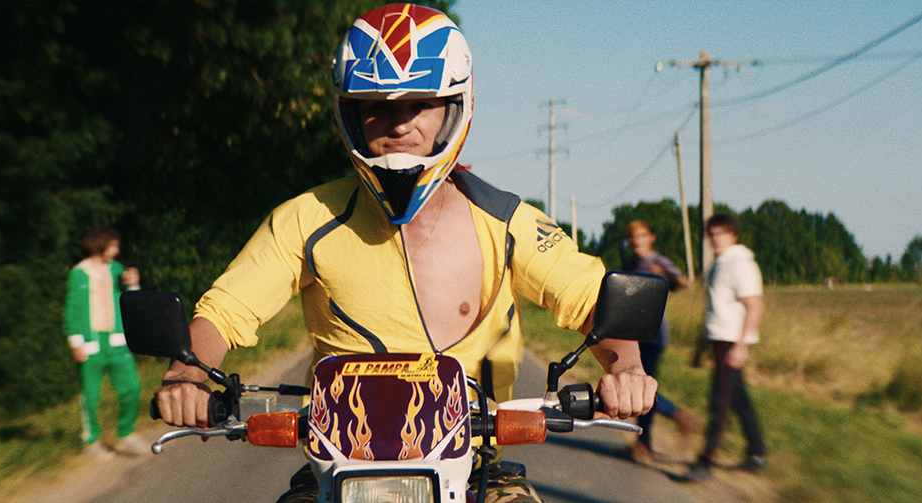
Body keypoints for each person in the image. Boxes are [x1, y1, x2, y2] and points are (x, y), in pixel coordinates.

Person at [153, 5, 656, 502]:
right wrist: (187, 375)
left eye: (420, 103)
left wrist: (627, 370)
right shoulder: (305, 219)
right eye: (379, 106)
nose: (401, 125)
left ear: (455, 107)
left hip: (478, 469)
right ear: (349, 112)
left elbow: (591, 299)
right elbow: (226, 310)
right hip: (336, 472)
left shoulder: (508, 224)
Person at [683, 214, 767, 481]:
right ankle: (757, 453)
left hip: (732, 342)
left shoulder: (742, 264)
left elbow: (755, 306)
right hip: (718, 341)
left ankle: (706, 461)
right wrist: (700, 346)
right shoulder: (718, 265)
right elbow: (713, 310)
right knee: (739, 400)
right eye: (712, 234)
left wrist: (741, 346)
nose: (715, 238)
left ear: (734, 235)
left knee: (720, 402)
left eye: (721, 233)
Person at [64, 225, 148, 458]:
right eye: (113, 245)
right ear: (100, 245)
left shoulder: (117, 269)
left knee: (132, 387)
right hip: (90, 344)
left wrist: (133, 284)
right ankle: (91, 441)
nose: (117, 250)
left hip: (117, 341)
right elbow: (71, 310)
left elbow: (132, 301)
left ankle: (126, 433)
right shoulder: (78, 273)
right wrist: (75, 342)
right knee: (91, 395)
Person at [621, 220, 701, 464]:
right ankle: (644, 443)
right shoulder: (630, 264)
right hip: (632, 332)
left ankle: (677, 419)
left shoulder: (658, 261)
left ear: (651, 237)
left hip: (653, 333)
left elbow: (683, 282)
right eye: (633, 236)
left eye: (642, 235)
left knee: (642, 387)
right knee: (637, 386)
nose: (637, 240)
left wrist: (664, 276)